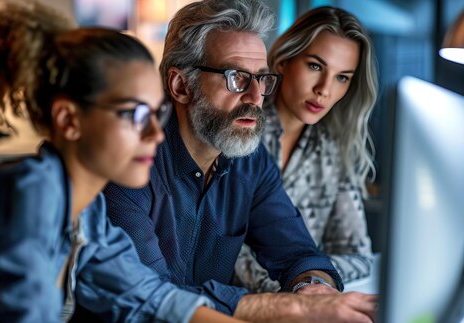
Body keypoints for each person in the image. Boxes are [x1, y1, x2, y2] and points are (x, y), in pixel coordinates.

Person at [0, 2, 241, 322]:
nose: (156, 133)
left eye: (156, 113)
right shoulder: (27, 195)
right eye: (135, 114)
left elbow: (149, 296)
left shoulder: (86, 211)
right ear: (68, 119)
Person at [103, 0, 376, 321]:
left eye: (261, 79)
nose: (255, 97)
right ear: (180, 85)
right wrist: (295, 306)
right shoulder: (129, 160)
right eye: (236, 78)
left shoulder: (250, 160)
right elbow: (150, 299)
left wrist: (315, 289)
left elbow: (297, 253)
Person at [235, 6, 378, 292]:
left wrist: (311, 283)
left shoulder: (333, 149)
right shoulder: (238, 131)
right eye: (315, 66)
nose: (324, 89)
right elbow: (227, 252)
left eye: (342, 77)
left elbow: (359, 257)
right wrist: (300, 289)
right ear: (285, 61)